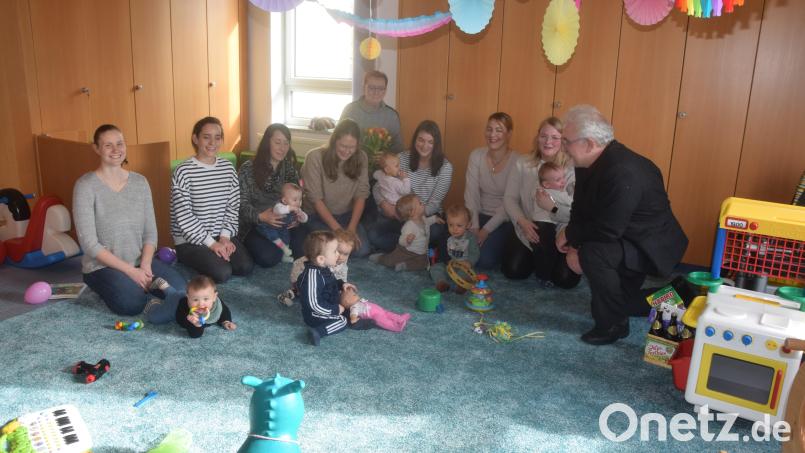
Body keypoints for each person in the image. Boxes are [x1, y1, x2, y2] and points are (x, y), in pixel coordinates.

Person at [556, 105, 688, 345]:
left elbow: (607, 229)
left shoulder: (622, 171)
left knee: (594, 254)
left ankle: (613, 326)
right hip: (627, 236)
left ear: (588, 143)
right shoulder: (589, 161)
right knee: (617, 302)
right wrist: (573, 242)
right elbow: (582, 207)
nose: (562, 147)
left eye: (566, 141)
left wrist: (571, 235)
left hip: (649, 246)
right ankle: (673, 295)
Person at [73, 124, 186, 323]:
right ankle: (137, 291)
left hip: (139, 261)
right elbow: (89, 244)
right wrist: (130, 272)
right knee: (131, 304)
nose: (116, 150)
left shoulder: (140, 182)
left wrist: (145, 265)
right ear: (96, 149)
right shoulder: (85, 186)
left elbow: (150, 232)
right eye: (108, 145)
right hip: (101, 268)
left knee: (181, 288)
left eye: (119, 143)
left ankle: (147, 290)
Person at [171, 117, 254, 283]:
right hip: (190, 240)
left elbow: (232, 206)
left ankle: (216, 251)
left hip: (219, 234)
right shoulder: (184, 171)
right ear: (195, 138)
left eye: (217, 137)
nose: (212, 142)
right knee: (223, 273)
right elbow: (184, 217)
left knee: (244, 267)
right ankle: (187, 260)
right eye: (206, 137)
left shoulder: (228, 168)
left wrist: (224, 237)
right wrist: (212, 244)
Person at [502, 117, 580, 289]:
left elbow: (577, 210)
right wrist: (522, 222)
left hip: (561, 230)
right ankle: (539, 260)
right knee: (513, 271)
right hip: (529, 226)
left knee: (565, 280)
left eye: (554, 137)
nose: (548, 141)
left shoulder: (571, 167)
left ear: (563, 141)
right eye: (544, 136)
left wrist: (551, 208)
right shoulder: (522, 163)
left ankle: (547, 262)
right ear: (537, 137)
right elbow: (509, 198)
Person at [367, 120, 453, 253]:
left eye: (430, 142)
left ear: (436, 144)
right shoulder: (401, 158)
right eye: (421, 140)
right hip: (398, 212)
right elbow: (378, 186)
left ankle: (404, 245)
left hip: (423, 216)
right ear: (415, 140)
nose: (425, 146)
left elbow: (434, 204)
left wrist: (411, 218)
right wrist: (384, 204)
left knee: (436, 232)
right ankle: (412, 246)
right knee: (373, 235)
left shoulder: (445, 167)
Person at [300, 119, 371, 257]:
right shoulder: (314, 157)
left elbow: (361, 195)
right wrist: (338, 231)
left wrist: (351, 229)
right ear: (334, 141)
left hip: (346, 215)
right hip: (317, 216)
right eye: (343, 146)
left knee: (361, 250)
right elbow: (315, 199)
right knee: (331, 250)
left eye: (352, 147)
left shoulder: (361, 157)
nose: (347, 151)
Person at [239, 123, 306, 268]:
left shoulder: (289, 168)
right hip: (256, 225)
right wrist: (261, 216)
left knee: (304, 249)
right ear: (267, 142)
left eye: (286, 143)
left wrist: (296, 217)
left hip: (283, 223)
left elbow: (298, 197)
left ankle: (285, 248)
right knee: (270, 257)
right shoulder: (248, 169)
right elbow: (240, 205)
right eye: (277, 142)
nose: (282, 148)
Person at [464, 112, 517, 270]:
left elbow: (511, 202)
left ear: (509, 134)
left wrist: (486, 231)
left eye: (499, 130)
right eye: (489, 129)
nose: (492, 134)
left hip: (503, 219)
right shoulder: (476, 155)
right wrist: (474, 226)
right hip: (477, 216)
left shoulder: (518, 161)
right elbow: (471, 193)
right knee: (454, 248)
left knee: (483, 260)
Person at [278, 229, 358, 307]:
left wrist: (344, 286)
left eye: (346, 254)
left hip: (323, 283)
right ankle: (289, 294)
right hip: (302, 278)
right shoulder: (321, 262)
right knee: (305, 292)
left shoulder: (342, 265)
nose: (341, 256)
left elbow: (339, 281)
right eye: (338, 251)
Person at [298, 231, 351, 346]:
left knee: (350, 307)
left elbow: (329, 284)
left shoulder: (323, 268)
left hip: (327, 305)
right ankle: (318, 331)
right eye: (334, 251)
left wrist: (341, 284)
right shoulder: (312, 277)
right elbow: (314, 305)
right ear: (321, 259)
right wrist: (335, 310)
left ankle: (354, 316)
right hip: (315, 316)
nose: (338, 254)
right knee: (342, 321)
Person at [369, 194, 441, 272]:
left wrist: (434, 219)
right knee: (391, 261)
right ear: (412, 212)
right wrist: (407, 240)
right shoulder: (409, 226)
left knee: (423, 263)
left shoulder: (423, 218)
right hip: (406, 251)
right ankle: (381, 258)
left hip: (421, 253)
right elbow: (401, 240)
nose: (423, 203)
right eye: (420, 203)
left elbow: (427, 222)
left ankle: (405, 265)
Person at [339, 70, 403, 153]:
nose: (376, 92)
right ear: (363, 87)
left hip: (381, 165)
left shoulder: (392, 116)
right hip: (353, 163)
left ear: (385, 90)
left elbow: (397, 149)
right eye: (371, 87)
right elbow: (338, 141)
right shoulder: (350, 110)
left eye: (381, 88)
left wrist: (386, 157)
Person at [430, 205, 480, 293]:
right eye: (451, 225)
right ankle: (441, 282)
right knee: (435, 268)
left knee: (464, 274)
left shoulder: (470, 238)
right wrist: (446, 261)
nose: (454, 229)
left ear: (468, 225)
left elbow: (475, 253)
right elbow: (443, 251)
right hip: (450, 264)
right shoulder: (446, 236)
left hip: (464, 266)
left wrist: (469, 262)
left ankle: (462, 285)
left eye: (459, 225)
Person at [254, 182, 308, 262]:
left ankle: (284, 255)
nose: (298, 203)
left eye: (300, 200)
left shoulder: (297, 209)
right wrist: (290, 208)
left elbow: (305, 219)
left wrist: (301, 216)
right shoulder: (279, 205)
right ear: (284, 200)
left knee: (286, 239)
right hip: (270, 227)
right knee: (273, 236)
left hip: (283, 228)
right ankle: (283, 248)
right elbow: (278, 210)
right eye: (295, 200)